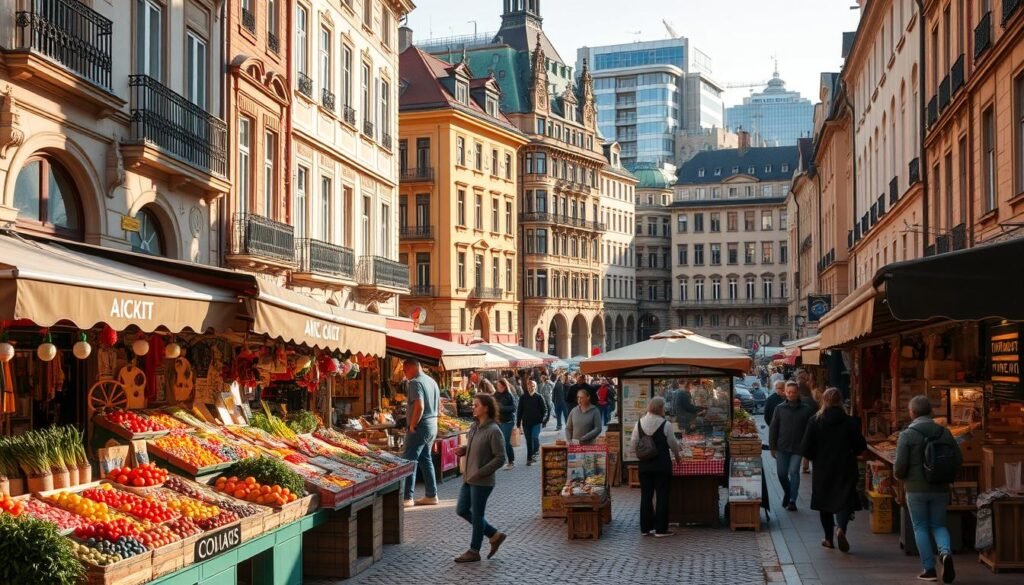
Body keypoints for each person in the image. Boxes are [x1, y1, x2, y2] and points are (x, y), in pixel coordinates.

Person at [894, 395, 963, 583]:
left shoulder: (907, 435)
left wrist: (902, 477)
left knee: (920, 526)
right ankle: (945, 553)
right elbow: (958, 459)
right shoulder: (944, 432)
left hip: (915, 489)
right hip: (940, 487)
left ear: (912, 412)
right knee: (939, 525)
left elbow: (899, 467)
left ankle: (929, 569)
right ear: (930, 411)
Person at [801, 388, 867, 552]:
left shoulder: (815, 421)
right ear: (840, 401)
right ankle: (841, 529)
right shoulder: (850, 421)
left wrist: (813, 457)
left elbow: (806, 448)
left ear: (824, 401)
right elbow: (860, 445)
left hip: (823, 467)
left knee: (825, 502)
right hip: (846, 466)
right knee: (845, 499)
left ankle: (829, 538)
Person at [453, 393, 507, 563]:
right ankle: (493, 534)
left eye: (476, 405)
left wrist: (482, 471)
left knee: (477, 515)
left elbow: (500, 458)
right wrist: (464, 449)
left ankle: (474, 550)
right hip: (469, 477)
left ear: (486, 408)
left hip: (482, 480)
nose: (473, 407)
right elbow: (474, 446)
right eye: (473, 405)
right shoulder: (475, 427)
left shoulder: (494, 430)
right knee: (461, 509)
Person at [630, 396, 683, 537]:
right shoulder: (665, 424)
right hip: (662, 465)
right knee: (662, 496)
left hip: (645, 466)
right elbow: (673, 444)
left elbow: (633, 444)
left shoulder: (639, 423)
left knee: (646, 496)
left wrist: (641, 456)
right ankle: (660, 529)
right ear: (660, 408)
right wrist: (678, 459)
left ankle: (645, 528)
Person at [769, 381, 815, 511]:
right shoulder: (779, 409)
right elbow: (774, 428)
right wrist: (772, 447)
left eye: (793, 392)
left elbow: (811, 429)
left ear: (798, 393)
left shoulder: (806, 410)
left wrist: (809, 446)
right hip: (782, 447)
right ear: (785, 392)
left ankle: (792, 500)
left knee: (794, 471)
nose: (791, 394)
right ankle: (788, 492)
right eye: (789, 392)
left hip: (798, 447)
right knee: (781, 473)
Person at [401, 359, 441, 506]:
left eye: (405, 370)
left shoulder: (415, 383)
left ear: (412, 368)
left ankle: (407, 497)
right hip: (432, 425)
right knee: (425, 459)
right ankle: (431, 495)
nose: (405, 374)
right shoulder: (432, 381)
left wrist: (412, 425)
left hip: (421, 426)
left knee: (409, 460)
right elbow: (438, 405)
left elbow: (420, 405)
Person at [516, 379, 548, 465]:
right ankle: (529, 459)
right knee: (528, 441)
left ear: (535, 387)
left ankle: (536, 450)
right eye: (529, 386)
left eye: (533, 386)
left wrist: (543, 420)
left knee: (534, 437)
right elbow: (520, 411)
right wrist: (518, 424)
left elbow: (545, 409)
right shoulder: (523, 397)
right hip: (526, 423)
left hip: (537, 422)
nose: (531, 387)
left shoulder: (539, 397)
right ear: (527, 387)